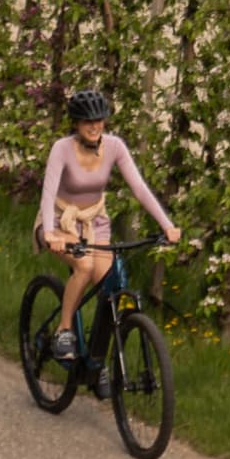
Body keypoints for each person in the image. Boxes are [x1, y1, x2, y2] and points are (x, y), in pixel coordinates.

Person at [36, 88, 179, 363]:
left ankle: (97, 363)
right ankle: (64, 330)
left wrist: (167, 225)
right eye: (87, 122)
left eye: (99, 120)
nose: (94, 127)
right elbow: (48, 194)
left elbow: (139, 188)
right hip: (59, 221)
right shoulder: (61, 149)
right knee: (84, 266)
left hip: (95, 223)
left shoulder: (114, 146)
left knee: (111, 285)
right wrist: (51, 234)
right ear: (76, 124)